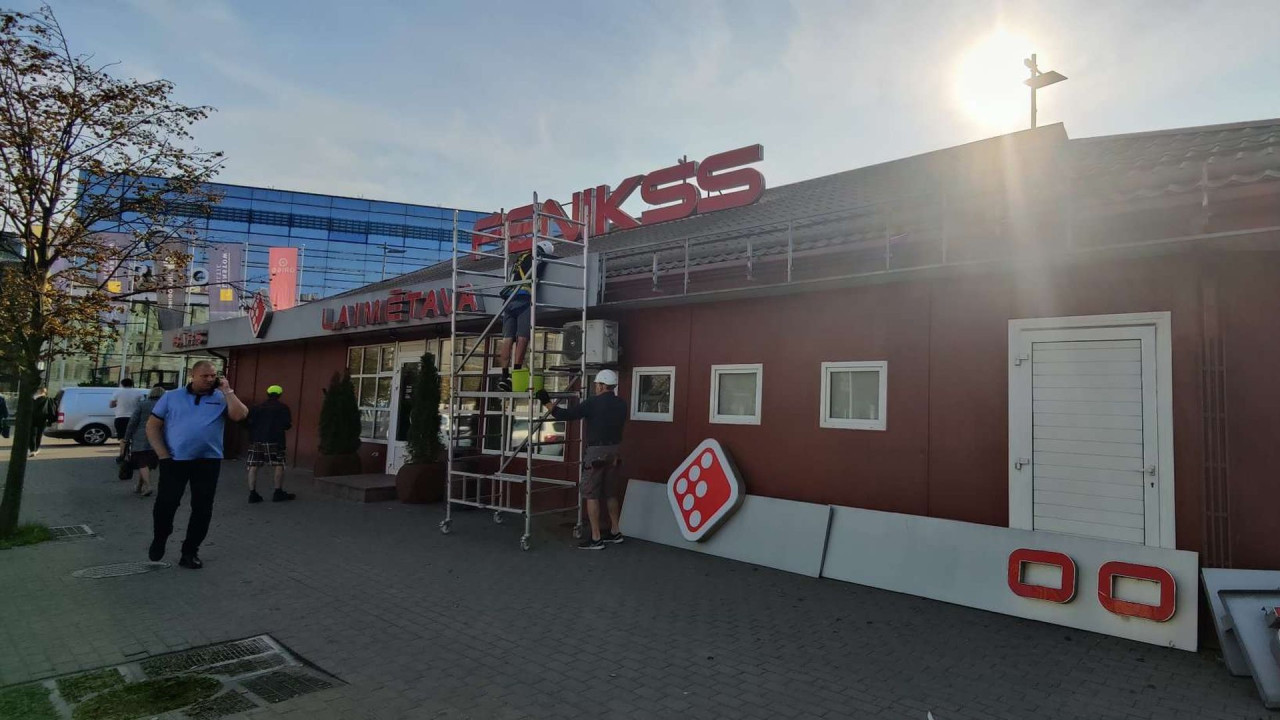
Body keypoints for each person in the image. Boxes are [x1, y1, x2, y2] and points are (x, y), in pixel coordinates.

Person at [146, 361, 248, 569]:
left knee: (202, 508)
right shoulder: (171, 397)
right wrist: (162, 455)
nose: (210, 379)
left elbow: (240, 415)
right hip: (175, 461)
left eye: (213, 375)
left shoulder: (221, 397)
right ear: (192, 375)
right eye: (205, 376)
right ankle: (160, 537)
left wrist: (228, 391)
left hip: (208, 462)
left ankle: (190, 551)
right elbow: (152, 426)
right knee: (166, 504)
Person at [536, 369, 627, 550]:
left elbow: (565, 415)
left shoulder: (593, 403)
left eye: (597, 384)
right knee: (610, 493)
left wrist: (546, 401)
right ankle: (616, 531)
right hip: (615, 451)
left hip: (596, 452)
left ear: (602, 385)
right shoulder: (621, 404)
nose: (596, 387)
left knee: (591, 494)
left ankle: (596, 538)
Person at [497, 239, 554, 391]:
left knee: (507, 339)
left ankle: (503, 375)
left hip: (508, 300)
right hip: (523, 299)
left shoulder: (521, 257)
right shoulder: (538, 257)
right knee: (522, 338)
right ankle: (514, 373)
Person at [245, 384, 294, 504]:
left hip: (257, 440)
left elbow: (249, 422)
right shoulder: (283, 408)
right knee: (279, 464)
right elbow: (287, 425)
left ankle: (252, 494)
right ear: (279, 395)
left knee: (253, 465)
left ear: (267, 394)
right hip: (275, 440)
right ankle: (278, 492)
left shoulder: (257, 407)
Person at [123, 384, 166, 497]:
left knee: (142, 462)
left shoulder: (142, 404)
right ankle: (139, 486)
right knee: (147, 463)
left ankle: (148, 486)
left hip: (141, 436)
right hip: (159, 436)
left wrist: (127, 437)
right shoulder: (166, 405)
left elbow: (133, 421)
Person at [30, 387, 56, 457]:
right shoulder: (48, 399)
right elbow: (51, 410)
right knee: (39, 435)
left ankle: (32, 450)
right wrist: (51, 420)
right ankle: (36, 449)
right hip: (42, 419)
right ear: (45, 392)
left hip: (32, 418)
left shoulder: (32, 399)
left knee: (32, 434)